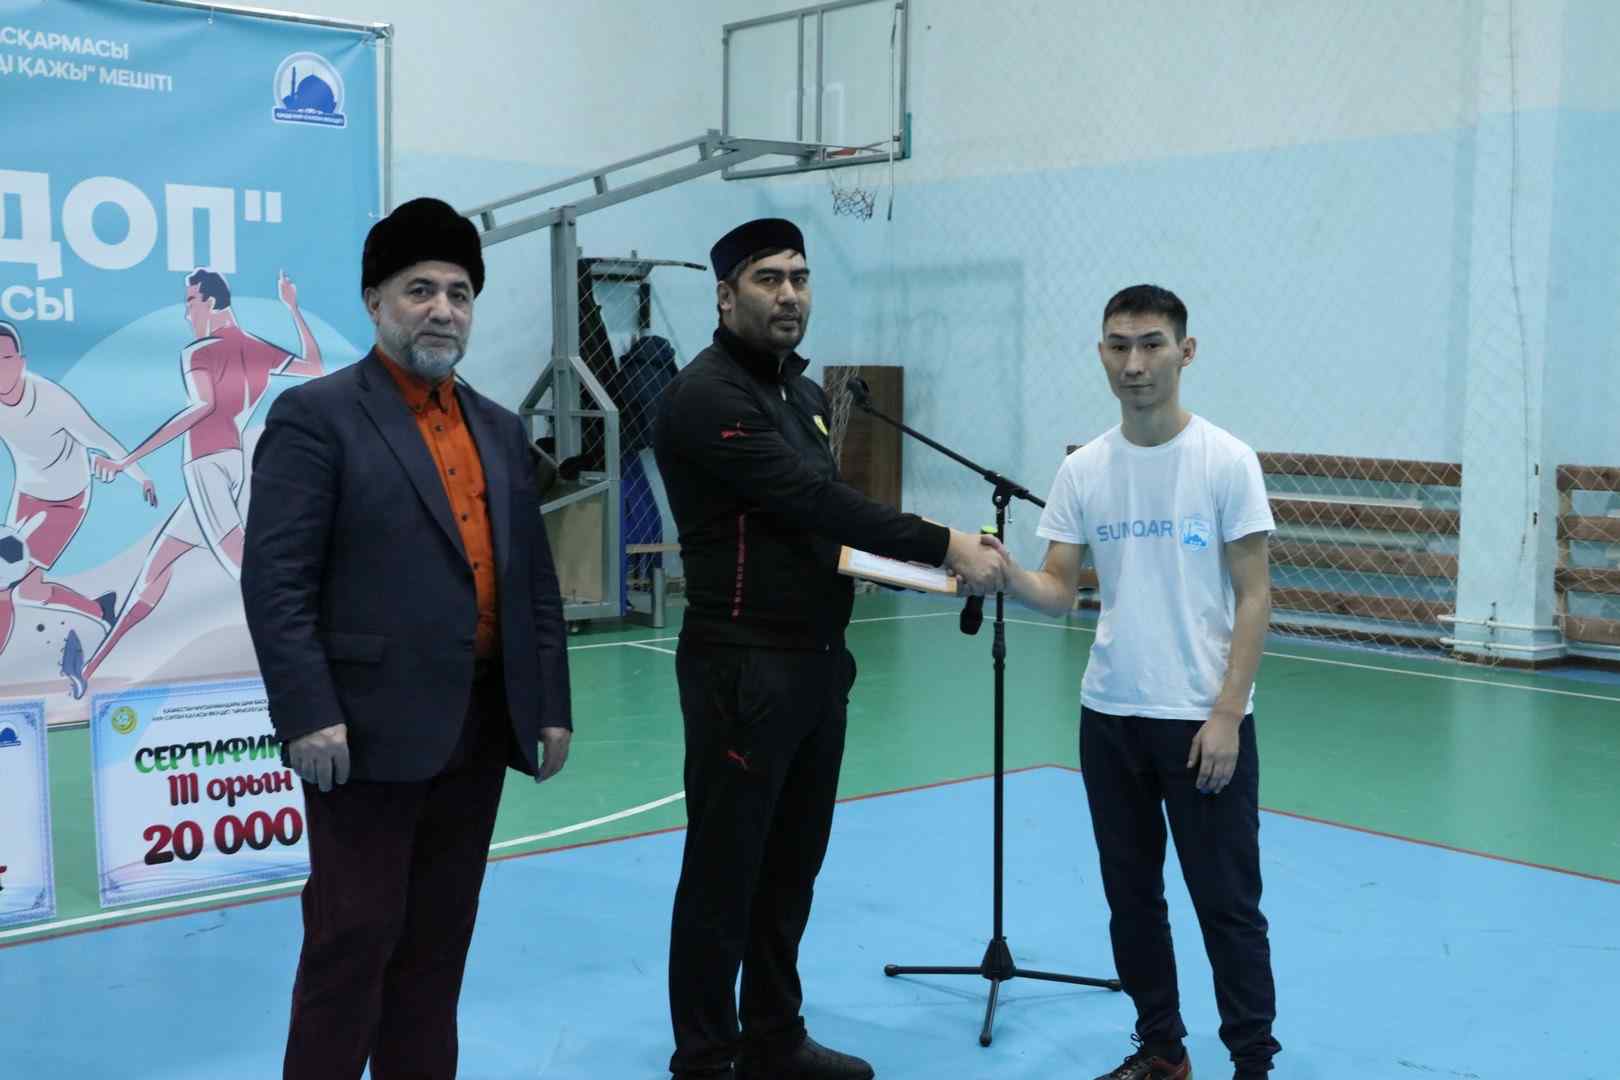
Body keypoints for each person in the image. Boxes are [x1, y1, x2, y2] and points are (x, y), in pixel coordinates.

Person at [654, 217, 1005, 1080]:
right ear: (725, 295)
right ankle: (705, 1057)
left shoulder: (805, 397)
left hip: (817, 662)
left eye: (800, 278)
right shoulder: (707, 397)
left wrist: (925, 573)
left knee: (791, 868)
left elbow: (825, 531)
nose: (789, 295)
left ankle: (774, 1037)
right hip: (743, 665)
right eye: (768, 279)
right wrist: (945, 542)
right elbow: (813, 503)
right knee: (725, 873)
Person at [240, 196, 573, 1080]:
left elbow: (533, 583)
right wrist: (307, 712)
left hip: (478, 729)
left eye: (459, 294)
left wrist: (549, 704)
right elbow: (276, 582)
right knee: (351, 945)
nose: (442, 311)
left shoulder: (499, 429)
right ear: (374, 301)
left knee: (438, 949)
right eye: (420, 290)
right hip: (362, 734)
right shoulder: (317, 417)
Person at [998, 285, 1281, 1080]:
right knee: (1131, 899)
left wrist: (1227, 713)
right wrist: (1004, 574)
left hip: (1202, 721)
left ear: (1185, 352)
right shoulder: (1083, 469)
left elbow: (1255, 595)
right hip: (1110, 716)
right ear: (1101, 354)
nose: (1135, 362)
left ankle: (1252, 1062)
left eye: (1152, 344)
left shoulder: (1226, 460)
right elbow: (1060, 589)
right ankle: (1161, 1049)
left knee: (1227, 904)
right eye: (1119, 346)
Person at [62, 267, 323, 697]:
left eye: (190, 301)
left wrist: (127, 459)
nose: (187, 313)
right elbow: (314, 365)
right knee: (156, 568)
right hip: (228, 465)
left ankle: (316, 655)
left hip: (206, 465)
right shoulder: (256, 347)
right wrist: (292, 308)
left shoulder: (200, 352)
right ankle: (89, 668)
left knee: (248, 570)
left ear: (212, 302)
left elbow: (201, 407)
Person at [0, 320, 158, 656]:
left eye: (6, 358)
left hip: (65, 500)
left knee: (3, 587)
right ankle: (102, 610)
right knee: (27, 591)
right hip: (26, 494)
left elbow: (100, 439)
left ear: (21, 361)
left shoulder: (50, 399)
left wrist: (140, 475)